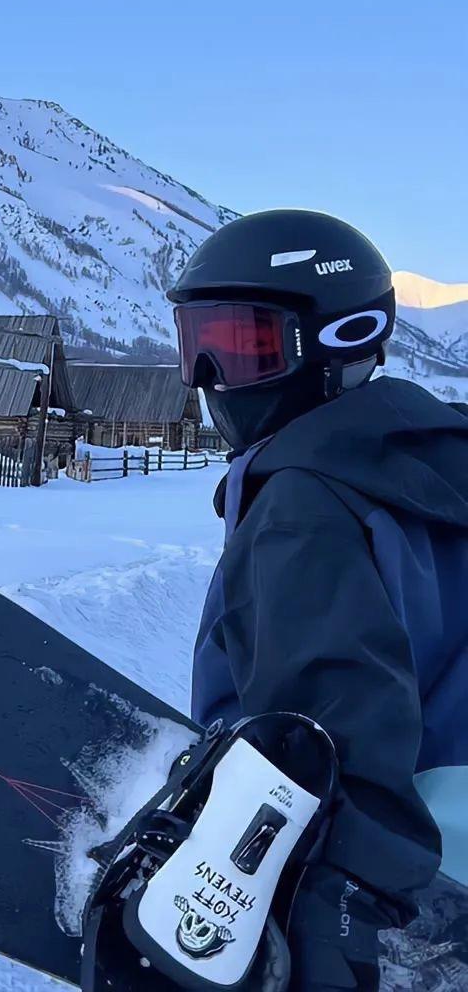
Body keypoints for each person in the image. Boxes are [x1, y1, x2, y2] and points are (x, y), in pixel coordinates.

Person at [167, 209, 468, 991]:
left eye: (243, 346)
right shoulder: (434, 463)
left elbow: (327, 743)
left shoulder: (304, 506)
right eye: (197, 343)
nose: (209, 379)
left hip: (392, 898)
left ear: (341, 340)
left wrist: (331, 919)